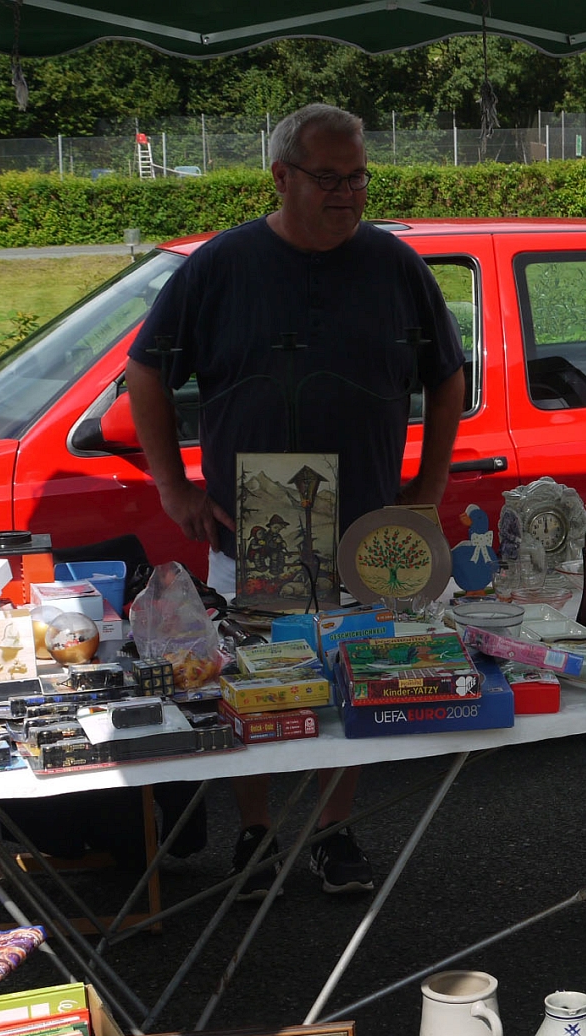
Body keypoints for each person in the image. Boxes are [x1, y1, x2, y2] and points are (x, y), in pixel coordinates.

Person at [125, 103, 467, 895]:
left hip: (366, 521)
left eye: (358, 178)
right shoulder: (221, 266)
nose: (347, 193)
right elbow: (146, 370)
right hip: (263, 519)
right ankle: (255, 831)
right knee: (257, 684)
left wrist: (429, 486)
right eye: (328, 178)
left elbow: (447, 375)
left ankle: (333, 831)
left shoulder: (395, 266)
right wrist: (172, 486)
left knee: (350, 679)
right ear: (280, 177)